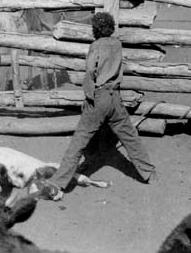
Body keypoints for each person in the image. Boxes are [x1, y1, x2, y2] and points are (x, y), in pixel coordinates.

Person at [44, 12, 157, 201]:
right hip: (115, 97)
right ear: (111, 28)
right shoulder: (117, 44)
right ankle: (149, 174)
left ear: (96, 30)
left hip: (99, 97)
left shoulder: (96, 46)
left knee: (78, 142)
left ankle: (57, 183)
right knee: (130, 137)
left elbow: (90, 72)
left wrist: (89, 95)